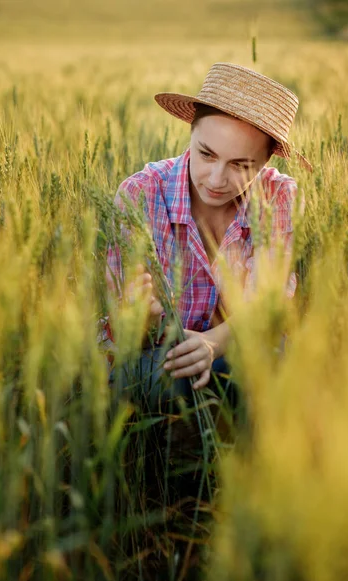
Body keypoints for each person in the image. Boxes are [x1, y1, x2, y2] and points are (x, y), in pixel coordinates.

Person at [103, 62, 310, 412]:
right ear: (191, 133)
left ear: (264, 162)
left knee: (277, 372)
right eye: (206, 154)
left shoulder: (279, 197)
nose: (216, 179)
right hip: (161, 356)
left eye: (240, 164)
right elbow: (121, 339)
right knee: (147, 381)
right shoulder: (141, 193)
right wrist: (140, 321)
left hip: (244, 351)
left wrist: (214, 342)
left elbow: (268, 304)